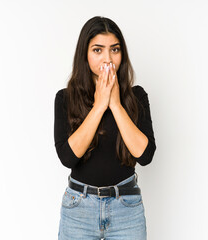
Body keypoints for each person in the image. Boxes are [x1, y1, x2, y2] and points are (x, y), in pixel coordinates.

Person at [54, 16, 156, 240]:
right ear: (85, 54)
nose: (107, 59)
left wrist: (116, 105)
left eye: (115, 50)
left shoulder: (137, 97)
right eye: (98, 50)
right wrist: (99, 106)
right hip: (79, 208)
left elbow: (145, 155)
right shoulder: (66, 98)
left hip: (126, 207)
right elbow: (68, 157)